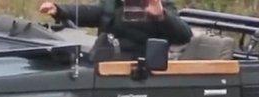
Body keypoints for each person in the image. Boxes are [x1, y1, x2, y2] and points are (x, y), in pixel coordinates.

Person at [39, 0, 191, 58]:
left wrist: (161, 15)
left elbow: (184, 35)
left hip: (139, 72)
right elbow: (92, 13)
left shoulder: (158, 5)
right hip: (104, 65)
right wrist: (59, 10)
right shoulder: (113, 4)